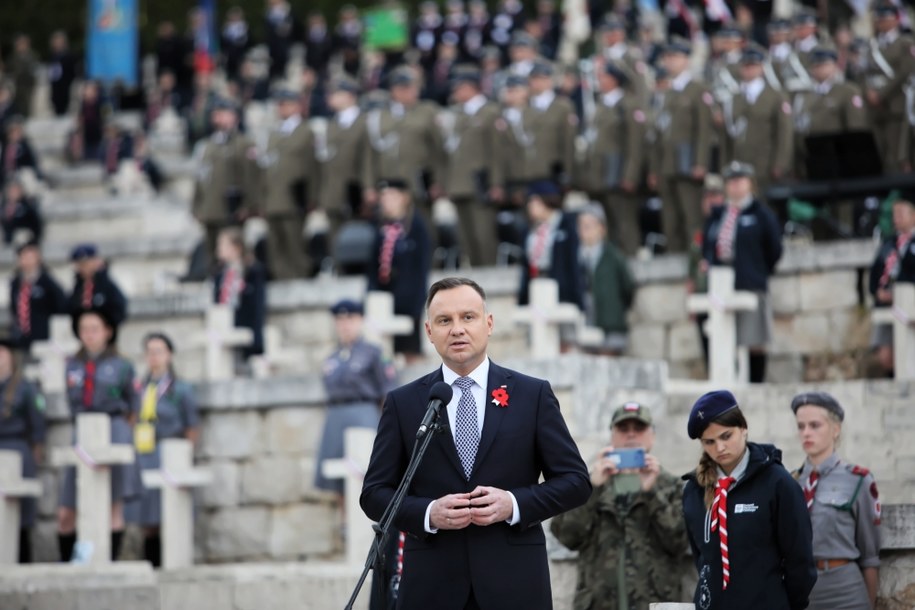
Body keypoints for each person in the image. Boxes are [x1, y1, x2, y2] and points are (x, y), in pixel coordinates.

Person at [360, 277, 591, 609]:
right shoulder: (404, 403)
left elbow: (576, 482)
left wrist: (514, 503)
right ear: (428, 331)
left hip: (515, 582)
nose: (457, 329)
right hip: (432, 585)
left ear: (489, 323)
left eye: (467, 317)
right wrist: (427, 513)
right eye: (444, 320)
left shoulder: (532, 395)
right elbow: (374, 492)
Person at [682, 390, 817, 610]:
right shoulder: (693, 491)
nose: (720, 448)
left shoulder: (778, 484)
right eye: (709, 442)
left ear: (743, 429)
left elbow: (800, 561)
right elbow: (703, 559)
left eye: (726, 436)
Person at [551, 401, 686, 610]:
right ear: (612, 436)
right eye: (623, 429)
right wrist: (592, 489)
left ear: (652, 436)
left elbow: (680, 542)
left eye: (639, 428)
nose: (631, 435)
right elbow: (567, 536)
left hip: (654, 603)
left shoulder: (671, 486)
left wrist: (651, 493)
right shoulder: (589, 483)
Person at [58, 307, 139, 562]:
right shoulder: (72, 365)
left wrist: (122, 431)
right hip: (82, 430)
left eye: (94, 329)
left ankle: (108, 560)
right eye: (84, 329)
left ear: (107, 332)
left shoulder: (122, 365)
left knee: (113, 505)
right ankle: (71, 563)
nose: (89, 335)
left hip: (113, 428)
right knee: (66, 511)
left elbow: (133, 405)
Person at [790, 392, 881, 610]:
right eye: (801, 426)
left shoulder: (858, 480)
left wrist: (869, 604)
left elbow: (870, 556)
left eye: (814, 425)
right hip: (802, 593)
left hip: (846, 593)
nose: (806, 433)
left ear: (835, 429)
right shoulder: (789, 482)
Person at [701, 161, 782, 383]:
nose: (735, 186)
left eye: (740, 181)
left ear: (750, 184)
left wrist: (757, 271)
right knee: (724, 339)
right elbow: (708, 246)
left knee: (754, 341)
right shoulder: (717, 216)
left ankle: (756, 383)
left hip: (750, 283)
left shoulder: (761, 215)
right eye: (731, 182)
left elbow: (774, 249)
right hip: (721, 284)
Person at [126, 332, 199, 567]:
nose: (153, 357)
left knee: (171, 512)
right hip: (145, 452)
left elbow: (191, 425)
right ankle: (152, 562)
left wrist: (187, 453)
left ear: (169, 355)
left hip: (170, 451)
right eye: (149, 352)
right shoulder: (140, 388)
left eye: (158, 351)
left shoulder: (181, 389)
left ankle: (174, 561)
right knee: (147, 516)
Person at [314, 300, 396, 504]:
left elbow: (389, 388)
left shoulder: (374, 352)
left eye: (350, 318)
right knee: (338, 478)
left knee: (367, 472)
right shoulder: (331, 357)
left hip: (363, 412)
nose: (345, 324)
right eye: (340, 320)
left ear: (360, 320)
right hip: (336, 416)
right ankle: (345, 524)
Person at [648, 39, 714, 253]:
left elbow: (704, 130)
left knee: (692, 217)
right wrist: (654, 169)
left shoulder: (697, 90)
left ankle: (696, 264)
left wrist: (701, 162)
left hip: (688, 163)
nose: (670, 62)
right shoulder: (666, 93)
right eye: (667, 58)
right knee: (670, 219)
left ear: (686, 60)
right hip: (667, 164)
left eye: (675, 57)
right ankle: (674, 261)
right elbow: (659, 133)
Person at [443, 66, 505, 267]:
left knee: (483, 234)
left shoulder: (490, 112)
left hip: (481, 183)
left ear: (471, 87)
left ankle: (490, 274)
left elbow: (497, 152)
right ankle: (476, 275)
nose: (456, 93)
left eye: (459, 88)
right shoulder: (460, 115)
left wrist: (496, 183)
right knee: (466, 237)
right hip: (459, 184)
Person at [585, 61, 647, 255]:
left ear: (614, 79)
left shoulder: (628, 104)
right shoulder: (602, 105)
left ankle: (630, 262)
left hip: (619, 172)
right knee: (609, 224)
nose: (599, 80)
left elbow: (635, 144)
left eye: (603, 76)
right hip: (602, 175)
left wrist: (630, 175)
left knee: (625, 222)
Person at [367, 179, 432, 361]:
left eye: (392, 196)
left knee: (411, 351)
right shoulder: (380, 227)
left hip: (409, 299)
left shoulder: (416, 226)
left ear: (404, 198)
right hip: (385, 297)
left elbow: (421, 269)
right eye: (384, 197)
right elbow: (373, 265)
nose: (387, 201)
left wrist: (417, 304)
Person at [722, 47, 793, 204]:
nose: (748, 69)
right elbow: (727, 136)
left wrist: (780, 163)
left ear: (761, 67)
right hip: (739, 166)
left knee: (766, 208)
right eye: (745, 65)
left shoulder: (775, 96)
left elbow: (784, 133)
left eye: (752, 65)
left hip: (765, 165)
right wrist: (725, 164)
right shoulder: (734, 98)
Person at [191, 99, 259, 261]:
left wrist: (248, 205)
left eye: (222, 114)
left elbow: (251, 177)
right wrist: (196, 205)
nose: (217, 118)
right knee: (212, 255)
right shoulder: (207, 145)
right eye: (215, 114)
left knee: (233, 252)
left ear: (234, 117)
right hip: (209, 209)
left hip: (230, 210)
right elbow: (200, 178)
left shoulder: (243, 143)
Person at [260, 89, 315, 280]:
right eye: (280, 104)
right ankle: (280, 277)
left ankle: (299, 277)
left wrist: (311, 197)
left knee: (295, 244)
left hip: (294, 197)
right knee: (275, 245)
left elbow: (313, 166)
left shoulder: (306, 132)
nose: (281, 108)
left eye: (286, 104)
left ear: (297, 105)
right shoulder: (274, 134)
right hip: (273, 198)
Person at [0, 336, 46, 563]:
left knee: (21, 516)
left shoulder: (25, 387)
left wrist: (37, 449)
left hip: (17, 449)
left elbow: (37, 422)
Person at [317, 76, 372, 243]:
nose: (330, 97)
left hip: (356, 192)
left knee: (361, 241)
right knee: (336, 241)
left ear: (350, 96)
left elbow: (368, 159)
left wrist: (368, 188)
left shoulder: (365, 122)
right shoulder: (331, 125)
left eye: (336, 93)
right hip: (334, 193)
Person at [577, 204, 635, 355]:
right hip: (586, 325)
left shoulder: (613, 256)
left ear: (601, 228)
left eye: (589, 225)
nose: (584, 230)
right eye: (581, 225)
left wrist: (615, 310)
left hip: (611, 326)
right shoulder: (576, 258)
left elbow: (628, 287)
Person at [518, 180, 584, 310]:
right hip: (536, 288)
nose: (530, 207)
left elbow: (573, 264)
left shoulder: (567, 225)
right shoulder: (530, 231)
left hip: (562, 292)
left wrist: (578, 299)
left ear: (546, 201)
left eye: (534, 202)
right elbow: (526, 265)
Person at [868, 197, 915, 377]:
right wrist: (878, 292)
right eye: (894, 214)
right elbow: (875, 272)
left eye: (901, 214)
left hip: (909, 303)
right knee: (885, 356)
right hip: (887, 306)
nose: (897, 218)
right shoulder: (888, 243)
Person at [212, 227, 266, 361]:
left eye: (223, 244)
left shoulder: (253, 271)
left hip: (246, 325)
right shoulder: (219, 274)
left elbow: (257, 305)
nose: (219, 249)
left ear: (236, 247)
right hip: (224, 324)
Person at [9, 235, 67, 351]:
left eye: (30, 255)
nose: (27, 259)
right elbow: (14, 309)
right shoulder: (16, 284)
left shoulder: (48, 283)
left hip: (44, 340)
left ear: (38, 257)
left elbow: (62, 306)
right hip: (22, 340)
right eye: (23, 255)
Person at [67, 243, 128, 328]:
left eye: (85, 264)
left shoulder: (107, 285)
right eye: (79, 264)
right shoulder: (78, 287)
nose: (82, 268)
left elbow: (119, 309)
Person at [1, 177, 43, 246]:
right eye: (12, 190)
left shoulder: (28, 208)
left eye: (16, 190)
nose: (13, 193)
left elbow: (35, 225)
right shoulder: (3, 206)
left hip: (22, 239)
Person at [48, 31, 78, 117]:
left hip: (66, 87)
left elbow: (73, 72)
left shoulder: (70, 56)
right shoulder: (53, 56)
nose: (57, 44)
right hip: (55, 88)